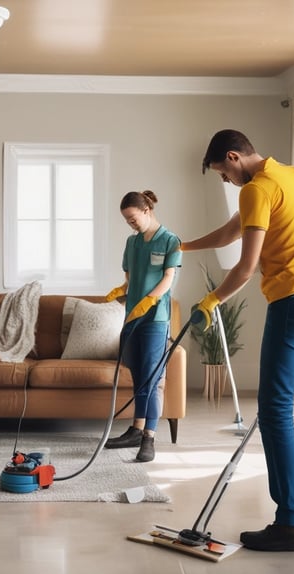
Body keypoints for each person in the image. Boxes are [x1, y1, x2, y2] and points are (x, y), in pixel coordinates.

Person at [182, 129, 294, 551]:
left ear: (233, 156)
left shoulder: (256, 189)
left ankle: (289, 524)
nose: (226, 181)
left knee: (275, 408)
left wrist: (211, 299)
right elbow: (231, 232)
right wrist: (182, 246)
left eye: (224, 173)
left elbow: (245, 266)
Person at [104, 190, 182, 462]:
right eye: (127, 221)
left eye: (133, 219)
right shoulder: (132, 242)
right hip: (132, 317)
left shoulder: (171, 241)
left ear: (147, 210)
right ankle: (136, 430)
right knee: (137, 375)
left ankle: (149, 436)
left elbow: (169, 278)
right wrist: (123, 289)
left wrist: (150, 300)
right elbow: (130, 273)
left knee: (151, 379)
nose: (131, 225)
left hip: (155, 319)